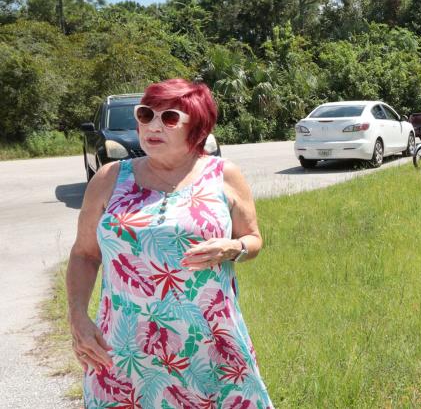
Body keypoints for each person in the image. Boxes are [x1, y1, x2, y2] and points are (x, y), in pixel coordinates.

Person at [66, 79, 273, 407]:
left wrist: (235, 247)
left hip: (210, 346)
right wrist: (77, 315)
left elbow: (254, 238)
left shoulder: (223, 175)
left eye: (170, 118)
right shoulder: (108, 179)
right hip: (125, 349)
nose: (153, 126)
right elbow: (84, 254)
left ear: (197, 127)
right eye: (146, 115)